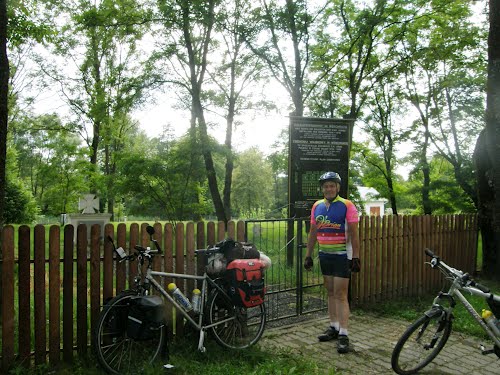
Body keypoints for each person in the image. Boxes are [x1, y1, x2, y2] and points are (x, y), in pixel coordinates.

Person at [304, 171, 360, 354]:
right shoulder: (317, 206)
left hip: (342, 256)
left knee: (341, 294)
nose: (329, 189)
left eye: (332, 185)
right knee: (329, 292)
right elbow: (313, 231)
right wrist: (308, 254)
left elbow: (354, 233)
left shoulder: (347, 205)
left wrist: (356, 257)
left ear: (338, 187)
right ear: (322, 188)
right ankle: (334, 327)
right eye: (326, 186)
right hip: (325, 255)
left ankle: (344, 333)